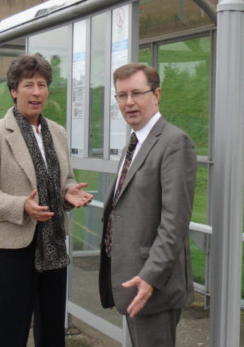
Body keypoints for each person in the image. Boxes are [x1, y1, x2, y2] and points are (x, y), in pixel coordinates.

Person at [0, 54, 94, 347]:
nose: (36, 92)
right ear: (13, 90)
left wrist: (68, 192)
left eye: (42, 84)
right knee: (10, 332)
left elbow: (64, 179)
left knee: (52, 333)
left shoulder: (58, 133)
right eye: (28, 85)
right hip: (14, 250)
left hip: (53, 245)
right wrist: (20, 206)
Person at [99, 63, 197, 346]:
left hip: (152, 285)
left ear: (157, 95)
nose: (128, 103)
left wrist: (150, 277)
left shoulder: (174, 142)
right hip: (130, 278)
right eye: (121, 95)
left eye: (137, 93)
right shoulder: (135, 141)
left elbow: (174, 222)